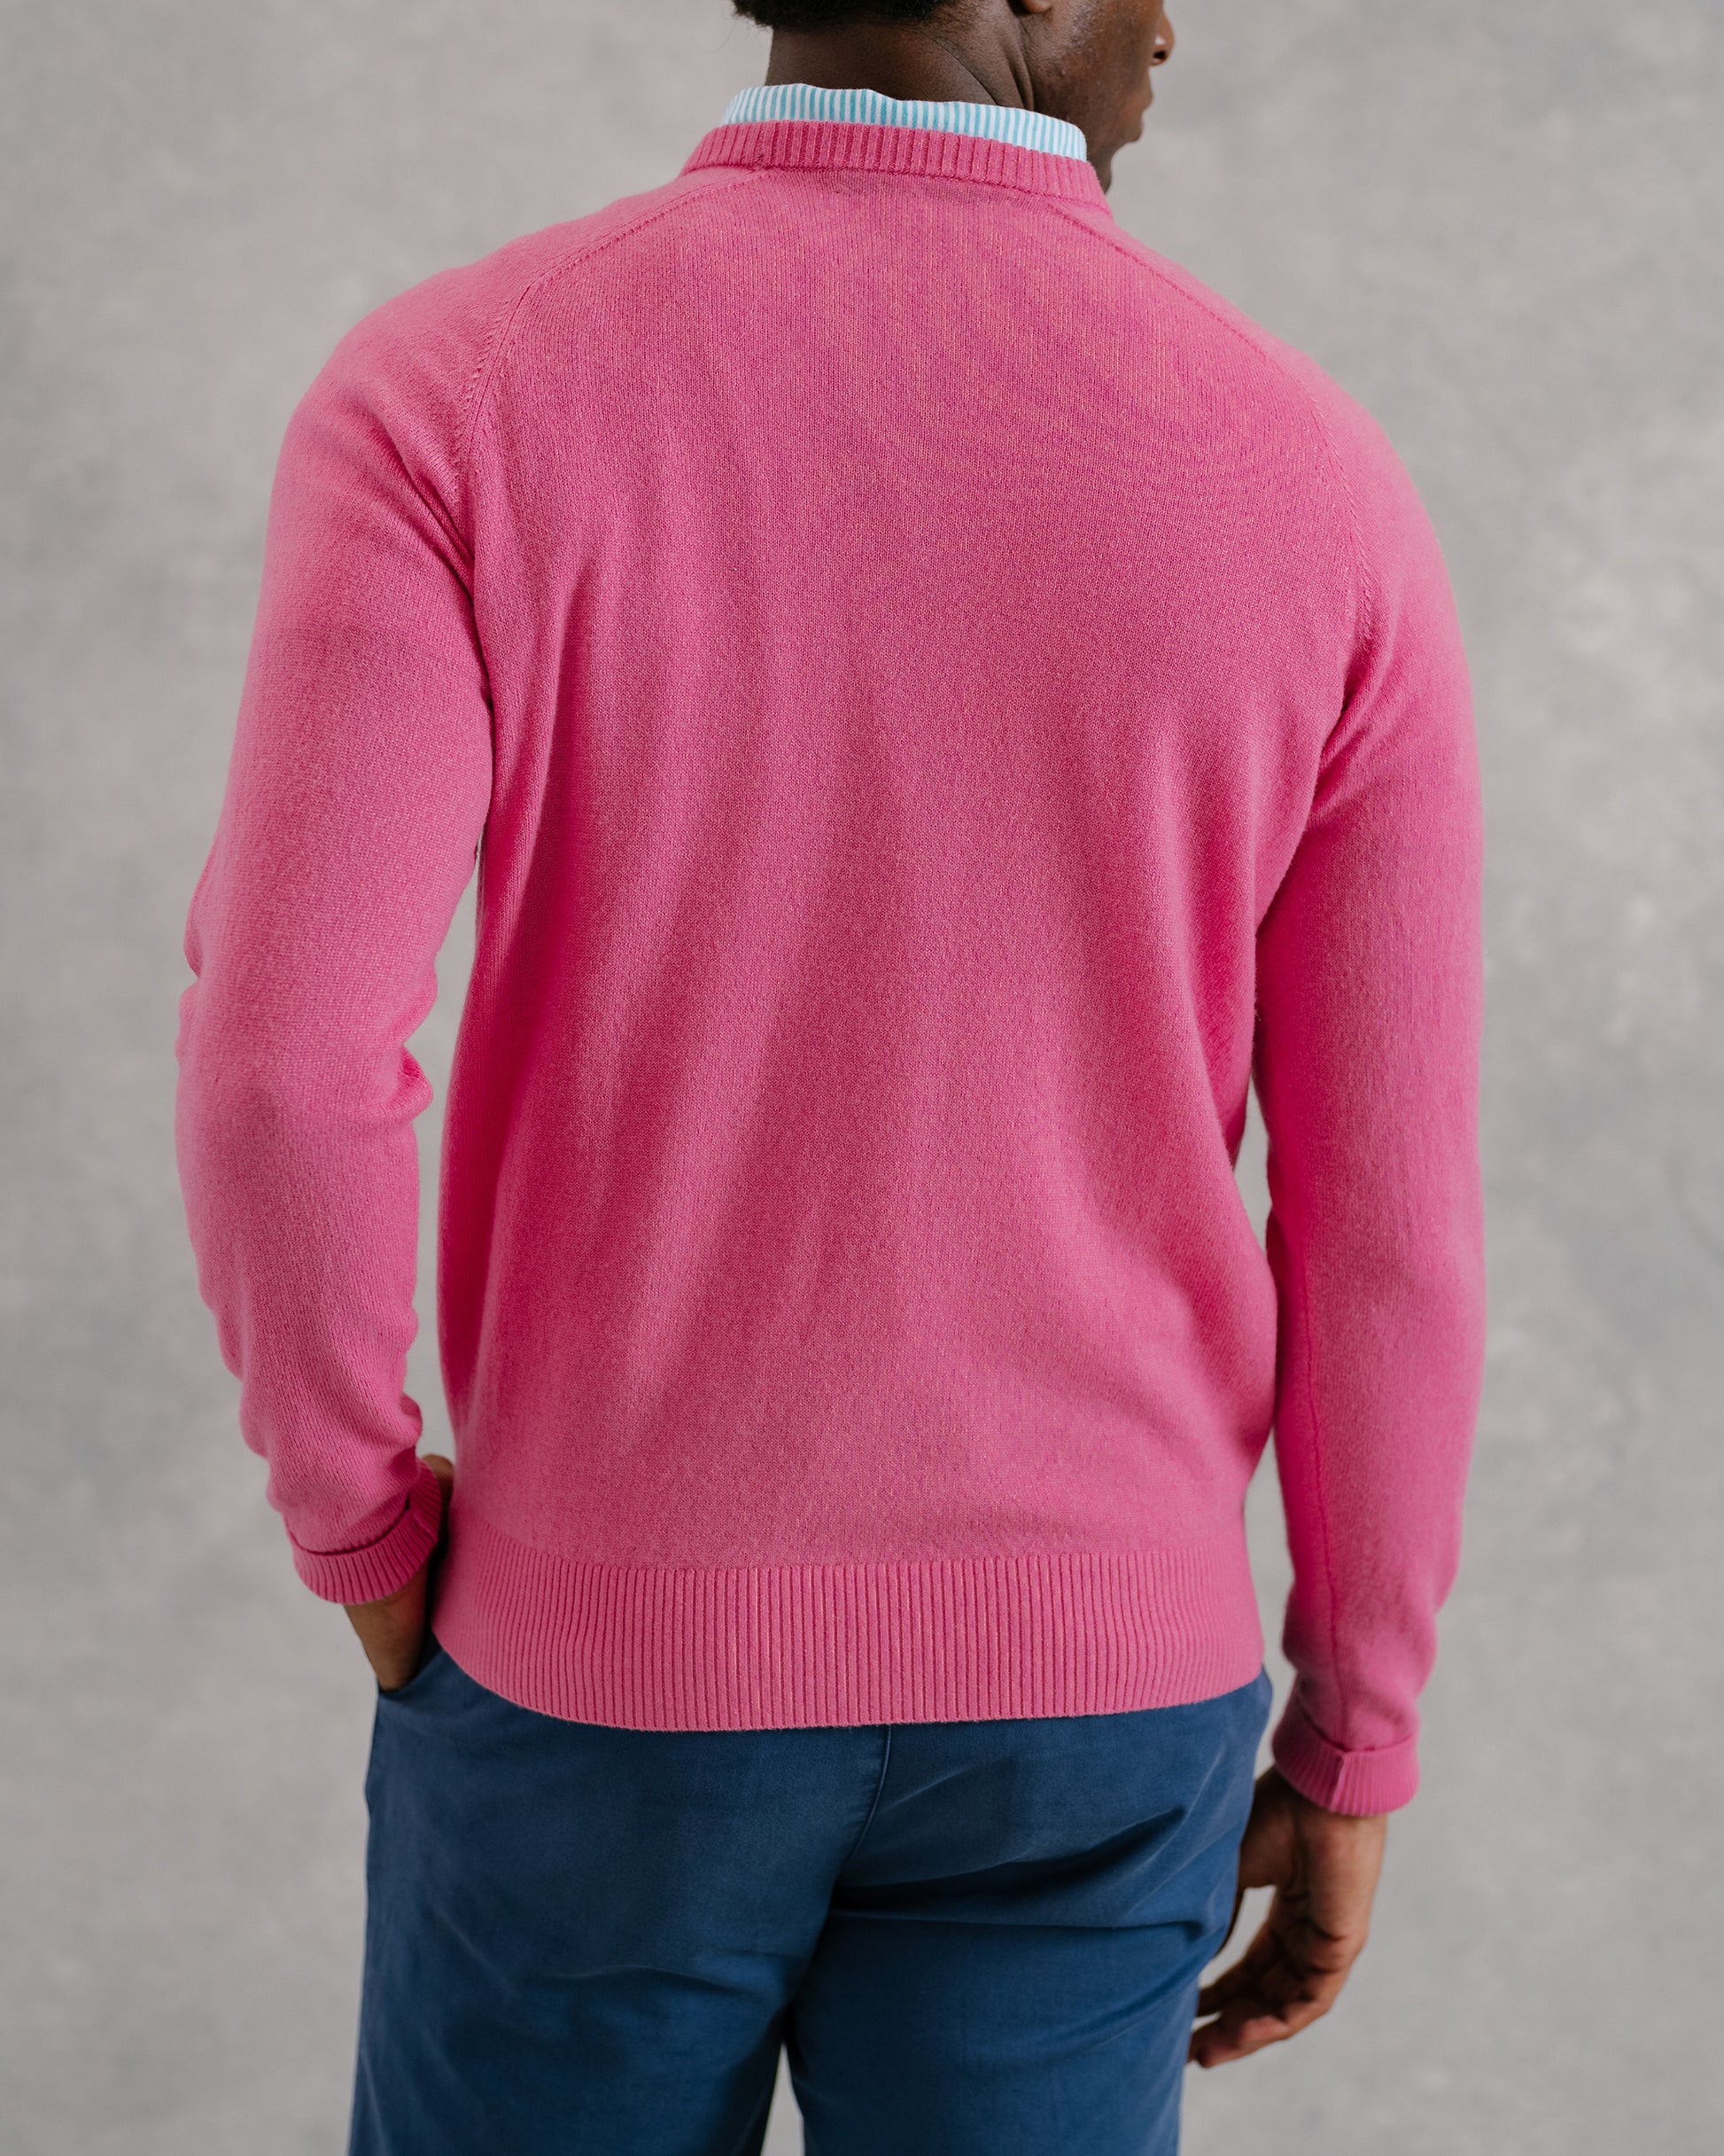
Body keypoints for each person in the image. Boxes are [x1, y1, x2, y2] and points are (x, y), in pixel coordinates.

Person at [173, 1, 1485, 2149]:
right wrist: (1357, 1729)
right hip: (1093, 1700)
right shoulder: (1317, 475)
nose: (1172, 24)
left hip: (598, 1663)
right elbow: (1388, 1221)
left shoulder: (455, 390)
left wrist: (362, 1523)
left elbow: (277, 1063)